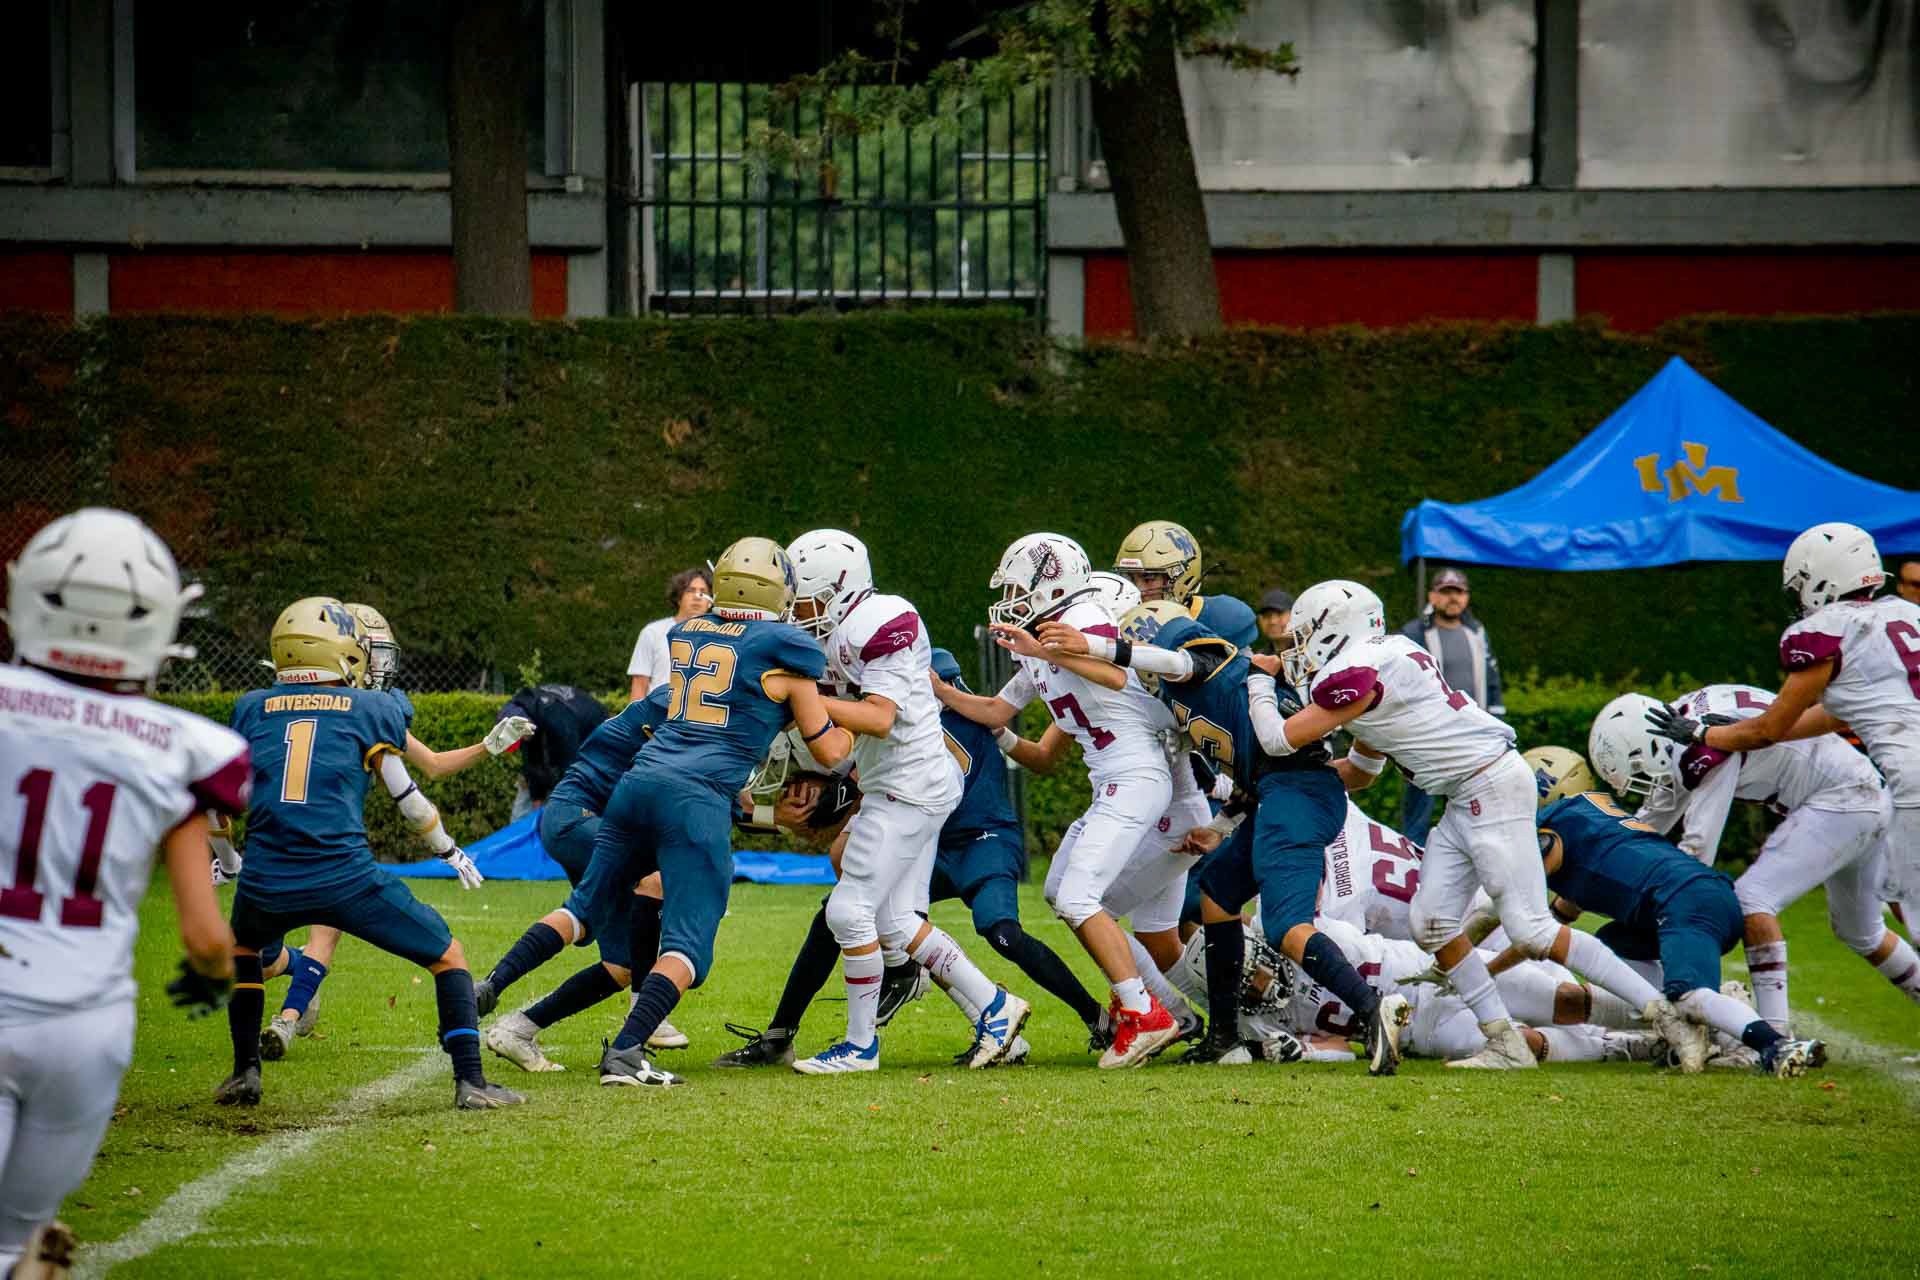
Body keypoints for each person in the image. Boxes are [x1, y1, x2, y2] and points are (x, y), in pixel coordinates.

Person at [1260, 579, 1683, 1069]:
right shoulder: (1384, 660)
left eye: (1305, 636)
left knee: (1532, 929)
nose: (1298, 650)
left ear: (1334, 629)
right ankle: (1504, 1040)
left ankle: (1664, 1013)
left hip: (1488, 785)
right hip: (1467, 793)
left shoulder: (1357, 671)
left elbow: (1277, 738)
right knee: (1431, 923)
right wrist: (1297, 784)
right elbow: (1361, 772)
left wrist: (1256, 682)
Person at [0, 508, 244, 1277]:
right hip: (84, 1026)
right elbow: (206, 937)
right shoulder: (178, 747)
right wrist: (211, 973)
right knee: (13, 1236)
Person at [1043, 598, 1409, 1072]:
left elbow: (1175, 662)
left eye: (1138, 648)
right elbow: (1252, 771)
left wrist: (1092, 645)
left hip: (1297, 795)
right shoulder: (1190, 698)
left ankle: (1371, 1009)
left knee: (1285, 927)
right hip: (1276, 792)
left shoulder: (1207, 664)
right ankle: (1224, 1036)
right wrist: (1219, 827)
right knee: (1217, 893)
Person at [715, 647, 1104, 1068]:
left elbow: (879, 787)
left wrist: (827, 794)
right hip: (928, 838)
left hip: (979, 839)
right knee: (866, 916)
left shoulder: (940, 729)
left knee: (994, 929)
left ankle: (1089, 1015)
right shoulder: (917, 724)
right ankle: (792, 1030)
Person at [217, 597, 522, 1110]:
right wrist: (448, 849)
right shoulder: (371, 709)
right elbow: (412, 799)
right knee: (447, 954)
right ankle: (471, 1081)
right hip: (343, 876)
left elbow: (217, 805)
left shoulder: (251, 708)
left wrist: (228, 862)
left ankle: (244, 1073)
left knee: (245, 953)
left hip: (266, 877)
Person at [590, 537, 851, 1086]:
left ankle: (499, 1007)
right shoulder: (788, 649)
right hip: (695, 797)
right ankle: (627, 1050)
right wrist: (867, 724)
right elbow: (830, 751)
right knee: (689, 947)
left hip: (638, 781)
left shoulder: (687, 631)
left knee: (585, 906)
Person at [936, 532, 1186, 1068]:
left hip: (1136, 775)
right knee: (1059, 890)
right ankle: (1144, 1002)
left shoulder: (1086, 616)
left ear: (1050, 584)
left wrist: (1049, 650)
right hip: (1112, 781)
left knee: (1078, 896)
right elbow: (997, 712)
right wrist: (938, 690)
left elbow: (1115, 674)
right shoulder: (1041, 639)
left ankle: (1144, 1014)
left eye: (1016, 588)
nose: (1010, 599)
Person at [785, 529, 1028, 1074]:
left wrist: (805, 700)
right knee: (895, 923)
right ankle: (996, 1007)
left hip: (910, 785)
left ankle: (860, 1047)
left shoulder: (882, 620)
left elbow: (879, 717)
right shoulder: (830, 636)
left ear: (840, 590)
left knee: (848, 911)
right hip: (897, 782)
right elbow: (841, 734)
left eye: (806, 598)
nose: (797, 611)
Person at [1645, 522, 1920, 942]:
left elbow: (1767, 731)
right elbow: (1834, 717)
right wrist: (1738, 730)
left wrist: (1702, 734)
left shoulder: (1829, 630)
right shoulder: (1905, 613)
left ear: (1821, 578)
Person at [1508, 749, 1827, 1078]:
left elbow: (1525, 904)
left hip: (1682, 899)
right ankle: (1709, 1018)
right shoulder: (1590, 818)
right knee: (1611, 945)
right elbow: (1560, 915)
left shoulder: (1551, 830)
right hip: (1695, 894)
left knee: (1686, 994)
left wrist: (1489, 961)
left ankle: (1774, 1044)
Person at [1395, 566, 1506, 845]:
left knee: (1472, 804)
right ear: (1432, 596)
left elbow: (1492, 678)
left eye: (1458, 592)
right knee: (1419, 807)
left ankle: (1468, 855)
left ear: (1466, 597)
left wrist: (1497, 720)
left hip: (1472, 735)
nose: (1452, 598)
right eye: (1445, 592)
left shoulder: (1477, 632)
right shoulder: (1415, 633)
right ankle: (1412, 856)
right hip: (1427, 735)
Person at [1111, 520, 1258, 650]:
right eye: (1129, 578)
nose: (1137, 590)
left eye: (1148, 578)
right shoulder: (1115, 618)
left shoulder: (1219, 619)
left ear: (1182, 577)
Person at [499, 683, 610, 822]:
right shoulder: (521, 709)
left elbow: (569, 766)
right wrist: (537, 803)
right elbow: (532, 762)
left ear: (527, 724)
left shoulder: (558, 721)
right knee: (532, 803)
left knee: (573, 807)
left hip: (595, 735)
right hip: (564, 733)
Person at [627, 568, 712, 700]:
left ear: (711, 601)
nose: (697, 596)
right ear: (678, 597)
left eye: (703, 592)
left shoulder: (721, 636)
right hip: (658, 711)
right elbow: (639, 685)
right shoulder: (653, 632)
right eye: (690, 590)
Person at [1254, 588, 1294, 655]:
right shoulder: (1260, 657)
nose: (1273, 621)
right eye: (1267, 616)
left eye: (1279, 614)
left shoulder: (1310, 650)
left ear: (1293, 614)